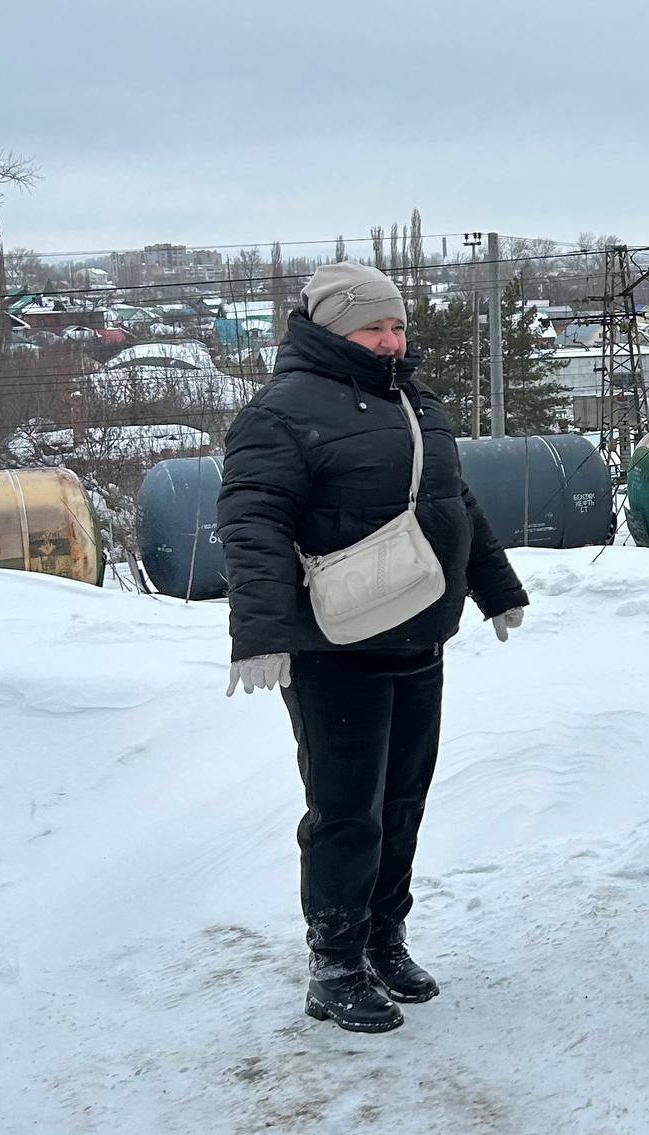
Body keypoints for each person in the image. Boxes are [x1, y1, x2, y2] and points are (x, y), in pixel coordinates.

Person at [216, 261, 529, 1035]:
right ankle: (335, 963)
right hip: (336, 652)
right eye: (373, 328)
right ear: (330, 331)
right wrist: (260, 635)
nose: (391, 341)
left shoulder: (416, 401)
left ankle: (384, 938)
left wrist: (496, 585)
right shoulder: (280, 414)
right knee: (346, 813)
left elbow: (454, 500)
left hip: (420, 637)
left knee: (402, 804)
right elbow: (251, 522)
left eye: (396, 326)